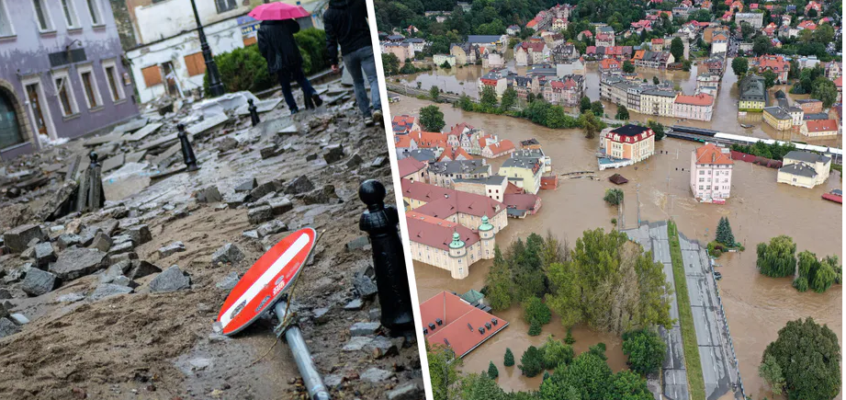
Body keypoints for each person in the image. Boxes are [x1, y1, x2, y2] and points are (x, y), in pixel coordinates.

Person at [324, 0, 382, 126]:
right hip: (365, 46)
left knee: (357, 82)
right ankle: (378, 108)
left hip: (348, 52)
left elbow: (330, 39)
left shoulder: (328, 14)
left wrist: (333, 60)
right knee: (373, 79)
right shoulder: (358, 3)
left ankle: (367, 116)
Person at [258, 19, 323, 114]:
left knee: (285, 86)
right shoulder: (283, 22)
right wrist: (289, 19)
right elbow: (296, 28)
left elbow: (262, 49)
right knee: (301, 78)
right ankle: (312, 92)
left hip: (278, 62)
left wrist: (270, 58)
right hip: (292, 57)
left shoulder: (262, 30)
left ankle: (293, 108)